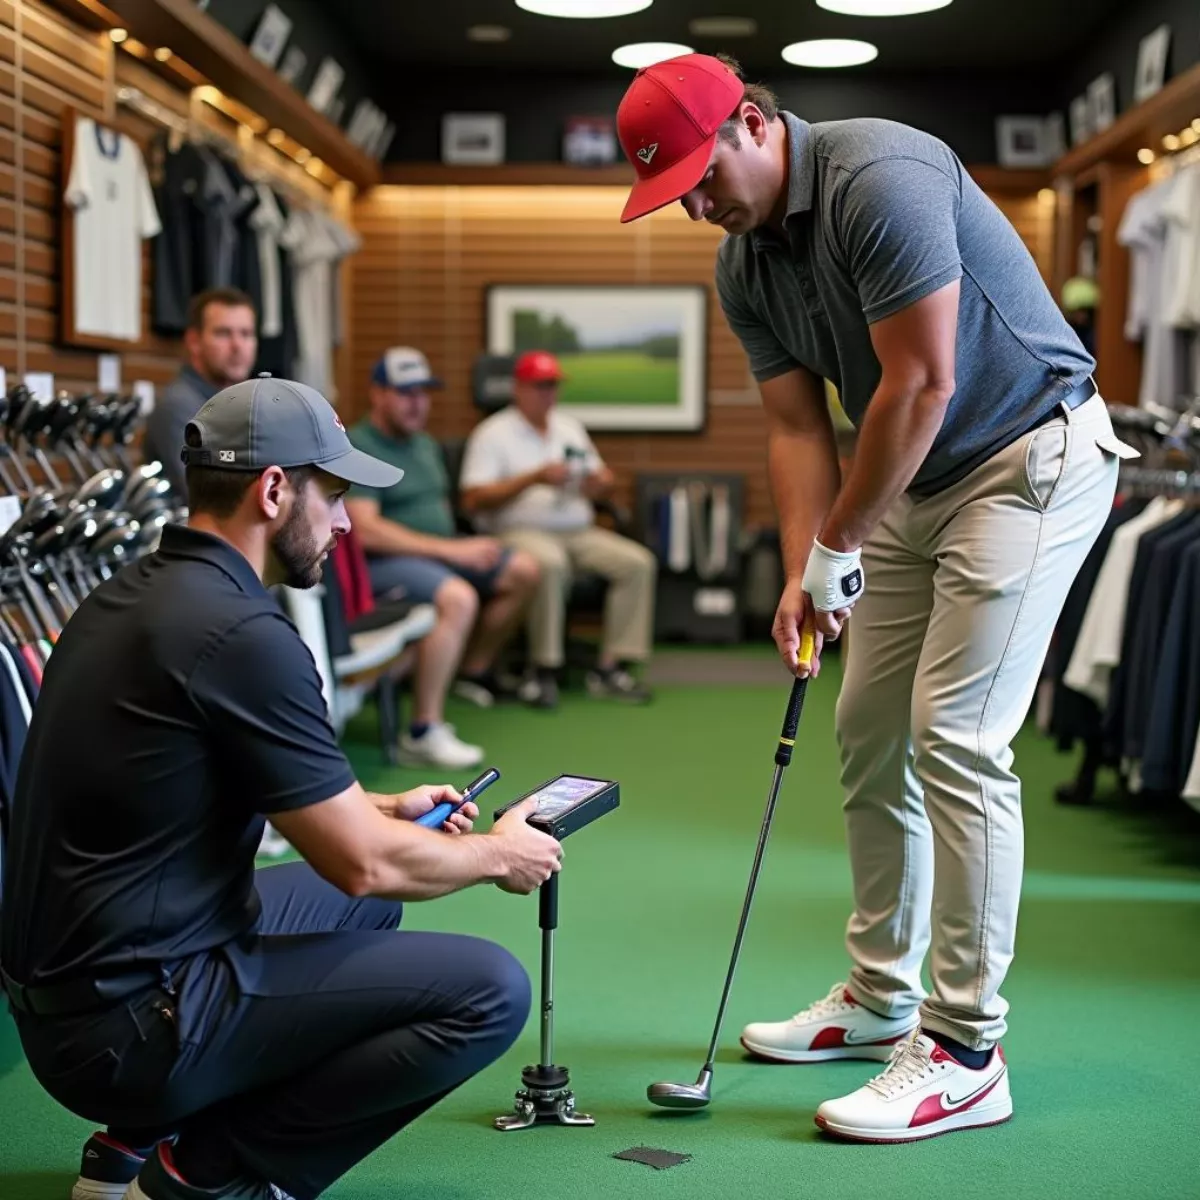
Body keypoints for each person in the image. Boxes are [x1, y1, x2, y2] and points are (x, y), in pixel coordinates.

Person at [615, 53, 1138, 1142]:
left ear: (752, 123)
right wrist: (813, 565)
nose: (699, 210)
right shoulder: (744, 267)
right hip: (912, 473)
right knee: (862, 724)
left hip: (1028, 456)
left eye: (702, 182)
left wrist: (839, 541)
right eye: (676, 200)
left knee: (954, 734)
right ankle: (879, 996)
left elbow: (922, 380)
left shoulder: (878, 175)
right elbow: (801, 426)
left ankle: (965, 1046)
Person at [0, 374, 564, 1200]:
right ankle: (200, 1174)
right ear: (273, 491)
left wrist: (380, 805)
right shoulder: (242, 634)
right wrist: (498, 855)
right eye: (332, 494)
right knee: (487, 991)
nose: (343, 522)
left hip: (74, 994)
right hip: (128, 1027)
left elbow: (198, 775)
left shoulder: (132, 595)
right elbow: (364, 865)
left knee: (363, 914)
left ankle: (134, 1142)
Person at [345, 348, 542, 765]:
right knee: (459, 598)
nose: (418, 402)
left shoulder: (424, 445)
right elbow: (365, 530)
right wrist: (452, 550)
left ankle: (470, 670)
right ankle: (422, 731)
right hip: (382, 565)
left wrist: (467, 545)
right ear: (377, 393)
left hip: (440, 554)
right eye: (405, 392)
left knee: (523, 570)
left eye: (424, 392)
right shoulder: (358, 445)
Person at [459, 350, 656, 707]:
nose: (548, 394)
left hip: (576, 529)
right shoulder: (492, 433)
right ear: (518, 388)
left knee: (637, 562)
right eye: (540, 386)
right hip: (517, 531)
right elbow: (473, 499)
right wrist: (533, 478)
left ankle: (611, 667)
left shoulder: (569, 427)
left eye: (553, 386)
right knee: (549, 562)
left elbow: (599, 479)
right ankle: (543, 668)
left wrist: (600, 484)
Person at [142, 288, 259, 501]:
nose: (237, 346)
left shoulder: (237, 404)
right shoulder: (179, 408)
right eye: (223, 333)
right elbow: (209, 499)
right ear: (194, 342)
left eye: (246, 334)